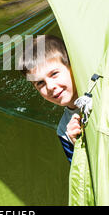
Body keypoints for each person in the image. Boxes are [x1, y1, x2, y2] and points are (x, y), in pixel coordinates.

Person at [18, 34, 82, 162]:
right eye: (40, 83)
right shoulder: (64, 131)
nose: (50, 86)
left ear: (71, 66)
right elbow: (81, 177)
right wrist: (78, 146)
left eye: (54, 74)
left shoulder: (105, 95)